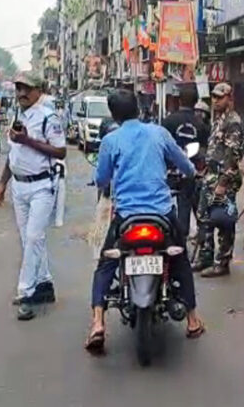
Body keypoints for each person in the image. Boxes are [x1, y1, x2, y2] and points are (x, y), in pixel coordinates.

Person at [84, 90, 205, 353]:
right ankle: (193, 320)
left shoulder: (110, 140)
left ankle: (97, 322)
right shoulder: (159, 133)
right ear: (139, 108)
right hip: (162, 213)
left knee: (106, 264)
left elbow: (102, 179)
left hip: (126, 216)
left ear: (113, 115)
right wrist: (192, 173)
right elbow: (186, 166)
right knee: (180, 259)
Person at [0, 72, 67, 321]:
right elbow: (14, 154)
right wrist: (2, 183)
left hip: (41, 187)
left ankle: (26, 293)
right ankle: (44, 283)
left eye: (27, 89)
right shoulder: (18, 115)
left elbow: (60, 151)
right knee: (29, 240)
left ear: (38, 91)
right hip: (20, 186)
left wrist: (28, 140)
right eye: (18, 89)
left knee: (34, 237)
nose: (22, 94)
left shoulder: (48, 117)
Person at [193, 83, 244, 277]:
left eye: (219, 97)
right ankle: (206, 256)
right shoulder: (218, 119)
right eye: (213, 97)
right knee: (204, 217)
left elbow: (232, 155)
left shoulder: (233, 122)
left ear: (230, 98)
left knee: (224, 221)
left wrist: (223, 183)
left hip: (224, 179)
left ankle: (222, 262)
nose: (215, 101)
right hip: (210, 175)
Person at [162, 82, 209, 238]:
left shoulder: (168, 121)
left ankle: (167, 236)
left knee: (163, 206)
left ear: (179, 100)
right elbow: (203, 152)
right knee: (187, 207)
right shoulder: (201, 124)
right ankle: (184, 242)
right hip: (191, 174)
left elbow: (161, 148)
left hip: (168, 173)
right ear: (195, 102)